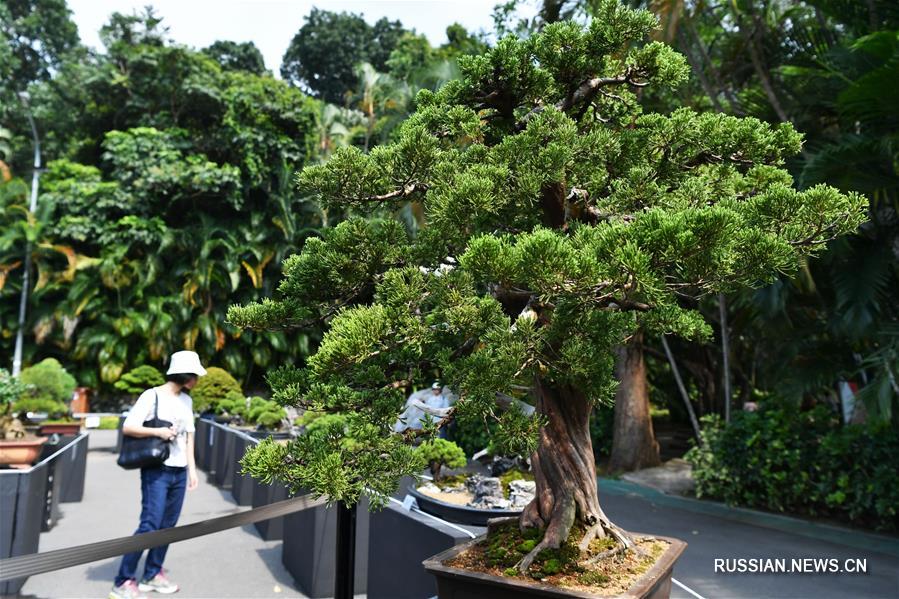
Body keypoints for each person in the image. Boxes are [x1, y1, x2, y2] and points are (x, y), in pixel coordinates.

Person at [109, 351, 206, 599]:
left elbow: (189, 436)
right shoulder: (151, 395)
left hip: (179, 471)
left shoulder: (187, 400)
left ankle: (152, 574)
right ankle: (123, 580)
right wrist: (159, 433)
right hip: (157, 469)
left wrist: (191, 469)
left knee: (168, 526)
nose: (197, 379)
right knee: (150, 525)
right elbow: (128, 426)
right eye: (195, 374)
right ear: (184, 374)